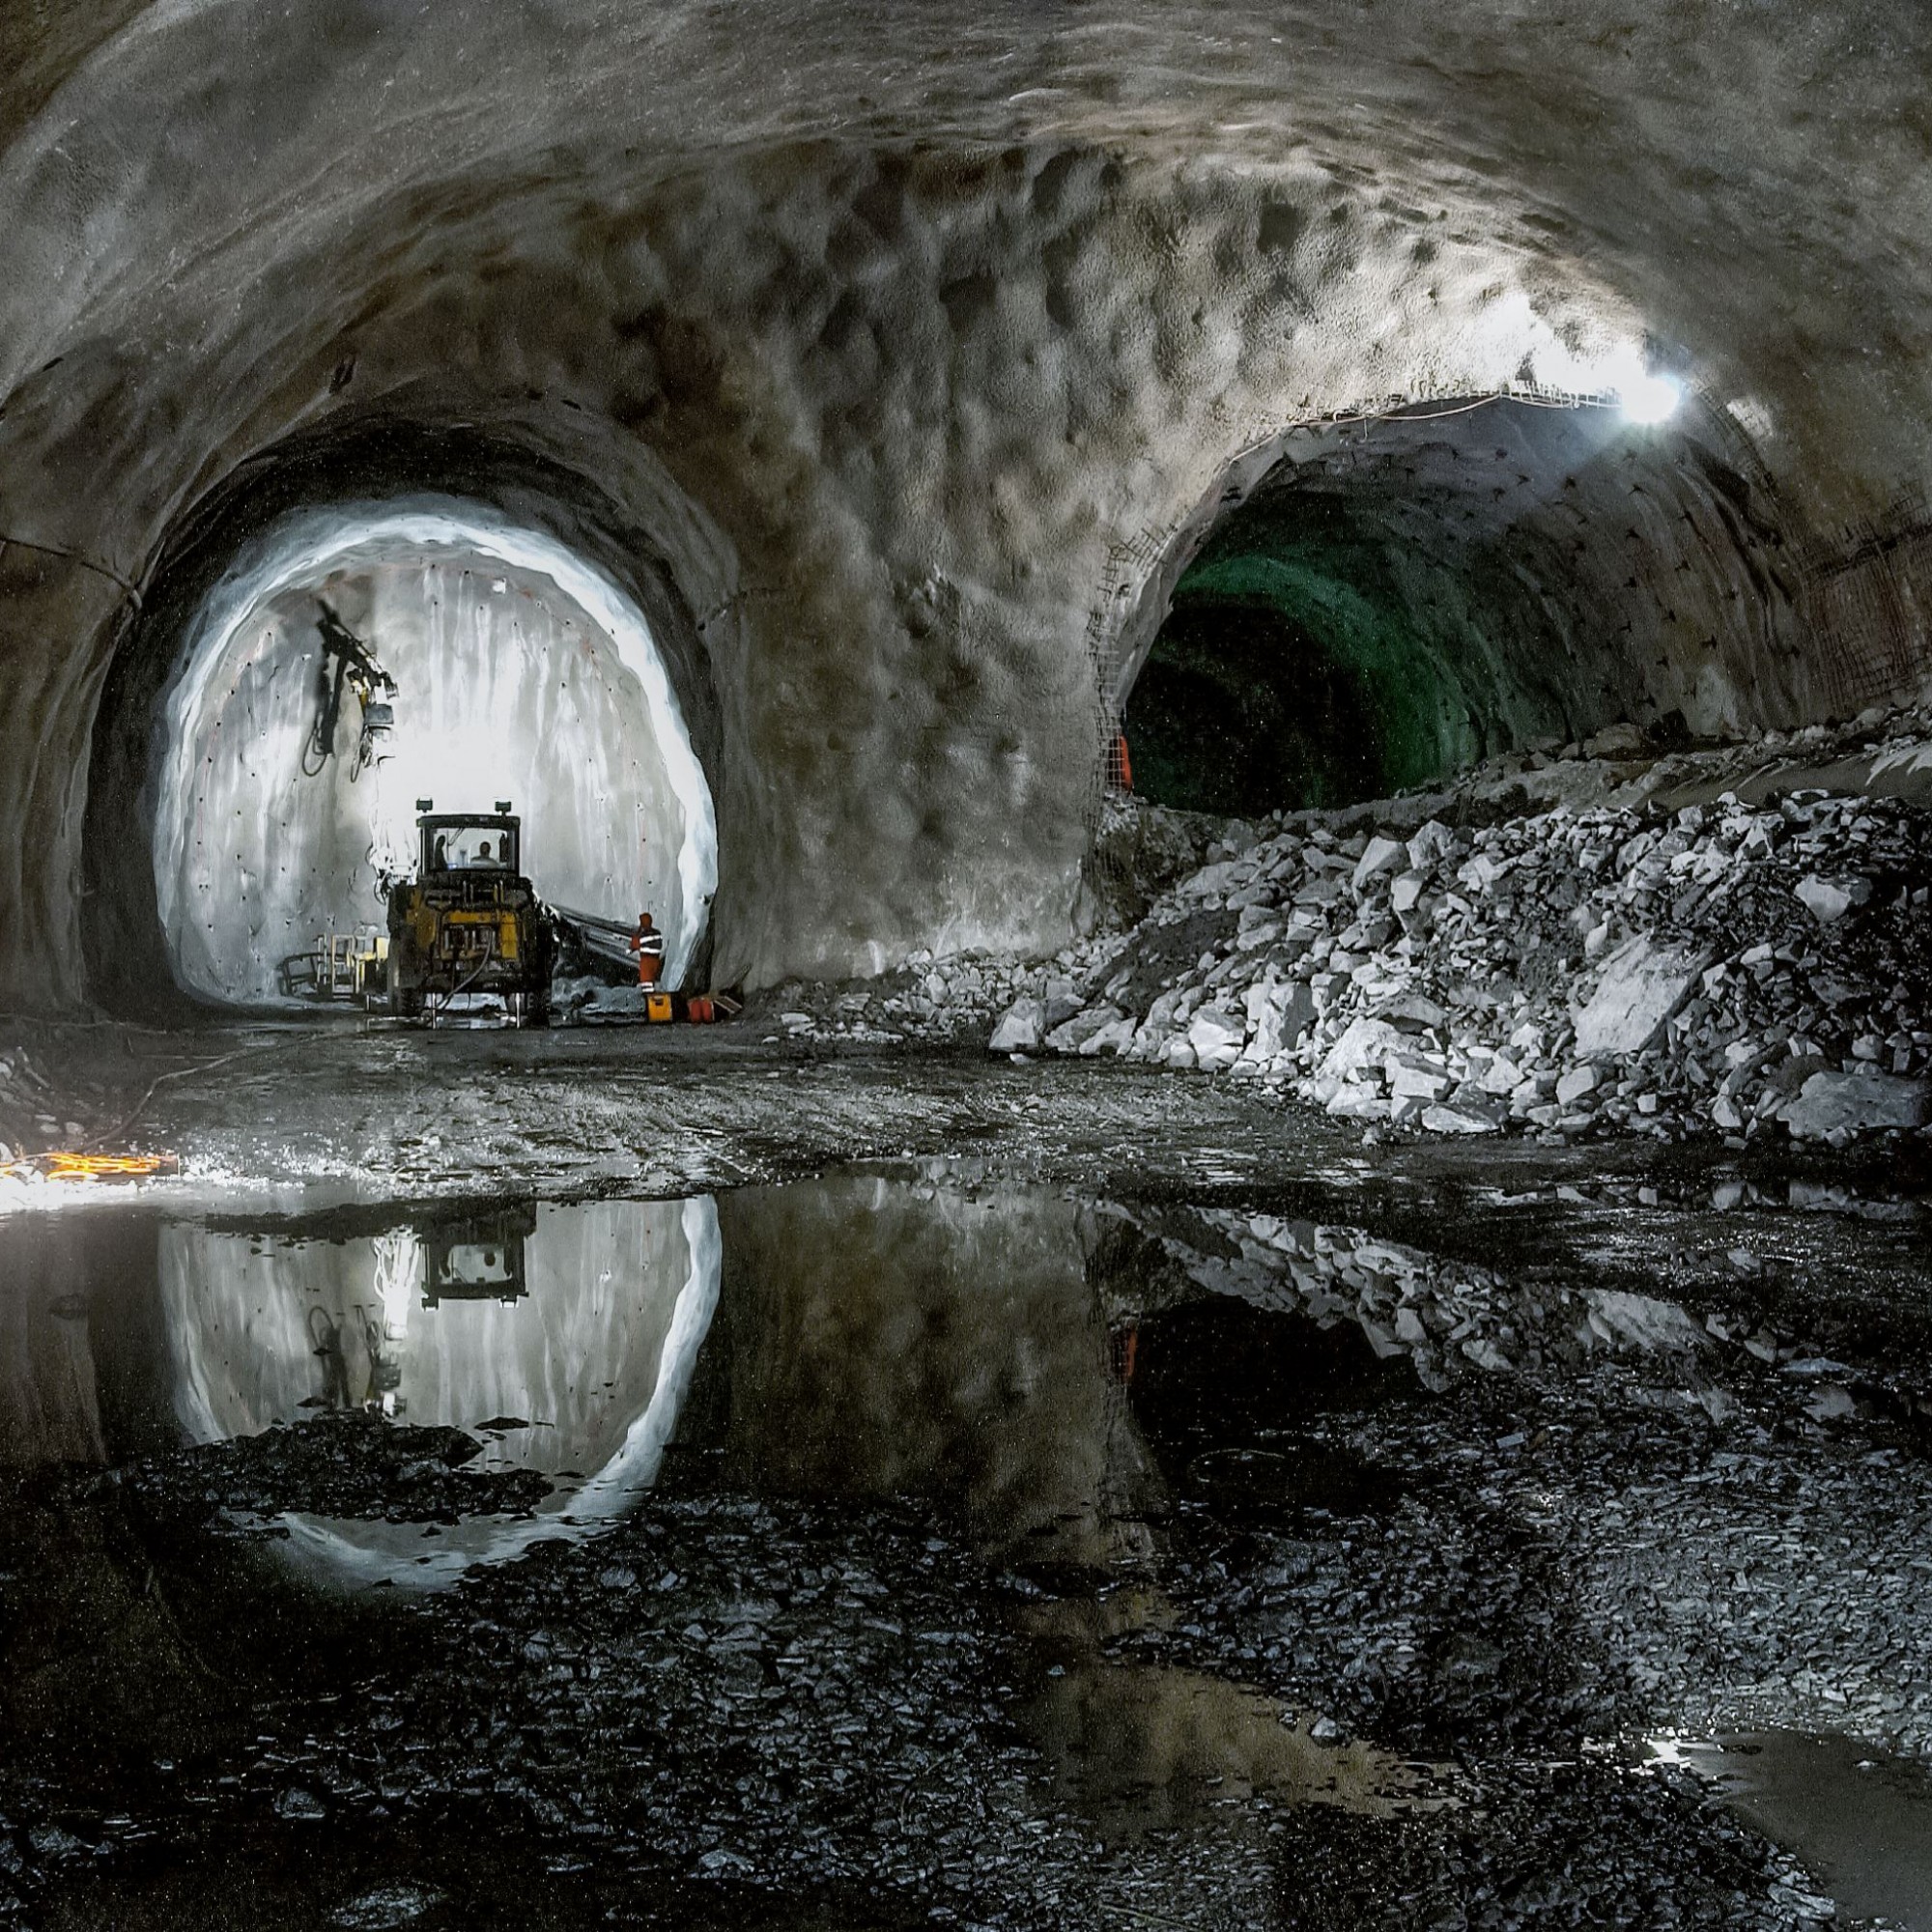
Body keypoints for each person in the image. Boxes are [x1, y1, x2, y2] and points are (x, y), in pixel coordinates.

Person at [631, 912, 666, 986]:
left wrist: (638, 932)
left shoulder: (642, 936)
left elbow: (634, 944)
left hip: (646, 963)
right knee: (654, 982)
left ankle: (648, 996)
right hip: (656, 961)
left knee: (647, 984)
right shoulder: (657, 933)